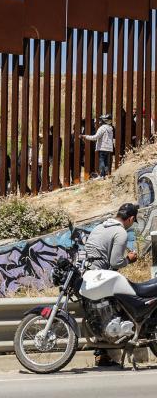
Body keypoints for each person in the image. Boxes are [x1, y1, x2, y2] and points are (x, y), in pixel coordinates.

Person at [84, 202, 139, 366]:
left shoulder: (100, 227)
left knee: (98, 317)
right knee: (124, 308)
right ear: (130, 219)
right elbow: (115, 262)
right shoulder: (120, 232)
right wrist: (129, 259)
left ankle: (102, 356)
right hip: (102, 278)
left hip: (88, 275)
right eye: (132, 222)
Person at [80, 114, 115, 179]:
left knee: (101, 161)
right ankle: (106, 174)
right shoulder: (110, 128)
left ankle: (102, 175)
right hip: (109, 148)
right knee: (106, 161)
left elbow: (95, 137)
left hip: (103, 147)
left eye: (100, 120)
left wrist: (85, 136)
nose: (99, 122)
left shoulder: (102, 128)